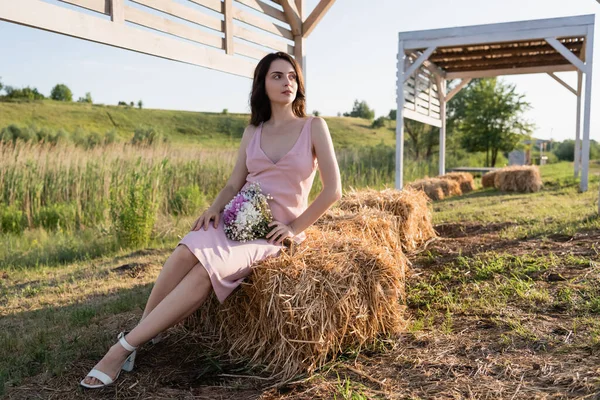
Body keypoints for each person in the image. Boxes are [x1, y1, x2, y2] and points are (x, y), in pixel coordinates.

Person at [80, 51, 342, 388]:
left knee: (205, 271)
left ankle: (120, 350)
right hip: (237, 218)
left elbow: (332, 190)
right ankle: (143, 333)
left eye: (292, 76)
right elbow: (235, 183)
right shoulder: (254, 131)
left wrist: (293, 227)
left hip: (269, 235)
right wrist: (214, 209)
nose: (286, 82)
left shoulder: (314, 127)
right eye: (277, 76)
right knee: (186, 249)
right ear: (262, 84)